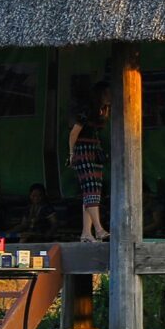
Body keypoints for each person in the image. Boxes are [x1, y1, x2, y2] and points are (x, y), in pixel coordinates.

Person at [69, 87, 110, 241]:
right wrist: (71, 153)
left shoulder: (104, 110)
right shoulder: (87, 110)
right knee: (90, 187)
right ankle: (98, 229)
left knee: (92, 191)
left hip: (95, 150)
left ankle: (86, 232)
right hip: (83, 148)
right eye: (107, 94)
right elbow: (74, 133)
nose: (110, 97)